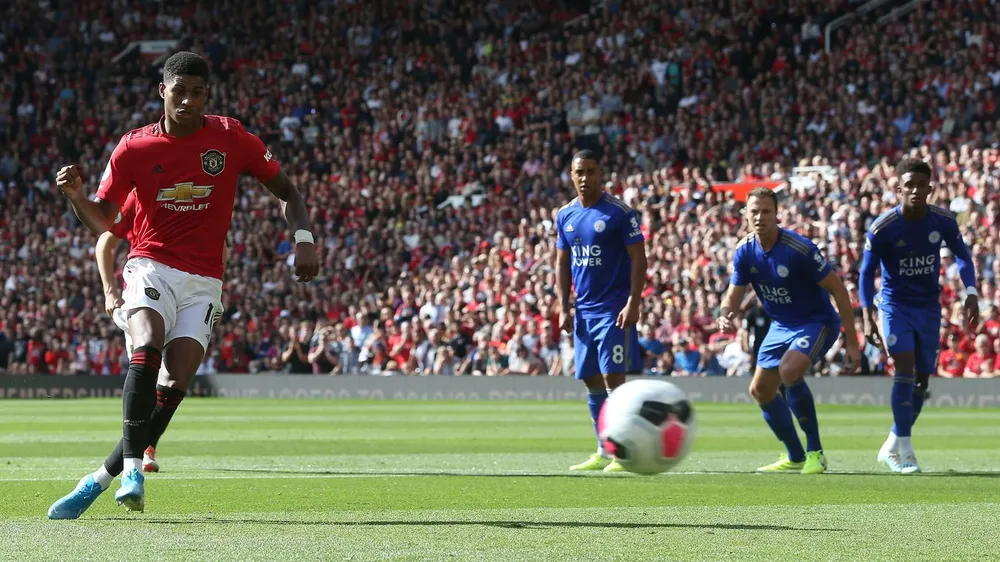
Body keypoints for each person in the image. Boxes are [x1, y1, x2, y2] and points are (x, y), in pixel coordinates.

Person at [48, 51, 319, 519]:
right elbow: (104, 223)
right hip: (150, 265)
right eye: (180, 91)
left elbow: (288, 191)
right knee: (147, 345)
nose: (188, 100)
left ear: (207, 95)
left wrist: (304, 238)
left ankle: (96, 480)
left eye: (197, 92)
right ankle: (134, 465)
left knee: (175, 379)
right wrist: (76, 198)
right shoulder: (134, 148)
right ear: (163, 92)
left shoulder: (231, 138)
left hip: (205, 280)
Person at [718, 187, 861, 475]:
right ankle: (794, 456)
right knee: (760, 389)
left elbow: (839, 292)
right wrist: (725, 315)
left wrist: (853, 342)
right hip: (780, 325)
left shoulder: (800, 249)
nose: (760, 217)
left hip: (816, 322)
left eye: (766, 211)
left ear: (777, 214)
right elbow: (733, 295)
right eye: (754, 211)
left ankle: (815, 452)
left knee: (790, 371)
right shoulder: (745, 251)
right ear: (746, 215)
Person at [97, 191, 231, 473]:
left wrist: (212, 289)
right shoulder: (142, 194)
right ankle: (138, 448)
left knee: (172, 379)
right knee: (147, 368)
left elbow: (221, 245)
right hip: (147, 286)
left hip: (191, 288)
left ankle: (147, 444)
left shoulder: (197, 195)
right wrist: (110, 291)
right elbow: (105, 243)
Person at [859, 157, 978, 474]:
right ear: (898, 188)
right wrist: (868, 316)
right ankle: (906, 453)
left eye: (920, 184)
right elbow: (865, 273)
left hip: (928, 308)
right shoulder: (883, 228)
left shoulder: (942, 221)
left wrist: (972, 293)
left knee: (923, 381)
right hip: (895, 306)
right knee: (905, 369)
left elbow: (963, 258)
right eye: (908, 185)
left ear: (930, 188)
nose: (914, 190)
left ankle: (892, 442)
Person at [556, 150, 647, 473]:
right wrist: (562, 304)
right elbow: (563, 262)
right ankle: (603, 448)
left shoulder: (619, 213)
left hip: (613, 308)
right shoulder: (565, 215)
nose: (585, 178)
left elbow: (639, 257)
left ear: (601, 173)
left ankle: (623, 451)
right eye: (579, 172)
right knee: (590, 379)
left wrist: (633, 302)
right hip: (583, 311)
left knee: (613, 379)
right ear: (571, 174)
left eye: (590, 171)